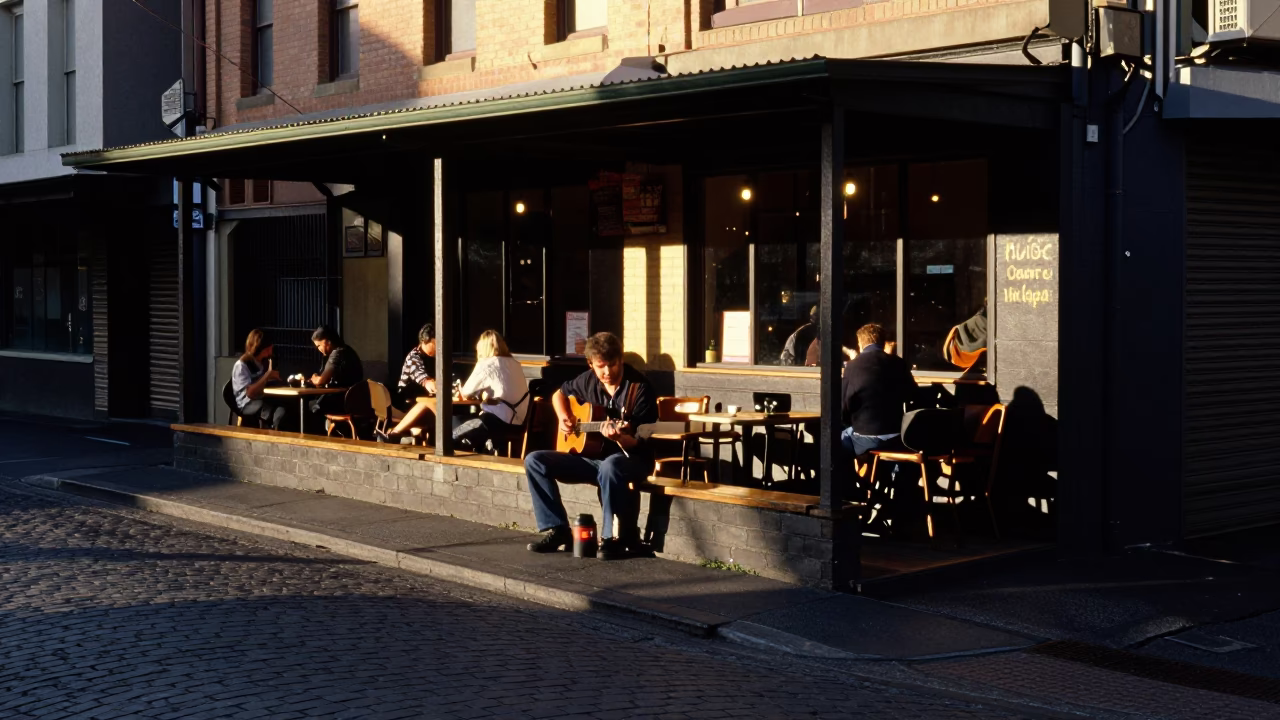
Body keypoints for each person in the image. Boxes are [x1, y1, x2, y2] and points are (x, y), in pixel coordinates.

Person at [523, 332, 658, 560]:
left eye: (613, 365)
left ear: (621, 359)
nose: (607, 372)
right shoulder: (588, 380)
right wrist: (564, 416)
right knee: (534, 461)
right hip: (592, 459)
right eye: (601, 366)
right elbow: (559, 394)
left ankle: (609, 538)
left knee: (610, 466)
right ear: (591, 364)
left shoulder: (639, 388)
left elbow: (641, 440)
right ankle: (557, 529)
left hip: (631, 458)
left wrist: (619, 438)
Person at [840, 323, 918, 459]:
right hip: (897, 436)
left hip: (866, 436)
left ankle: (850, 480)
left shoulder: (852, 366)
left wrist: (849, 421)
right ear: (883, 342)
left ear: (860, 343)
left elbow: (844, 404)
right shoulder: (898, 363)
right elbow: (912, 393)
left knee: (838, 439)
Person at [453, 330, 530, 453]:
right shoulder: (515, 364)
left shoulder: (486, 364)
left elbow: (466, 392)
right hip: (519, 423)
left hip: (495, 421)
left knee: (451, 432)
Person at [376, 324, 439, 443]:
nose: (438, 348)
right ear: (424, 342)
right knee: (429, 405)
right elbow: (423, 378)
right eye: (435, 344)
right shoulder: (414, 358)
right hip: (406, 404)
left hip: (421, 402)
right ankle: (394, 434)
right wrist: (432, 385)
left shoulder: (436, 357)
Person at [231, 328, 286, 430]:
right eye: (269, 348)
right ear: (263, 348)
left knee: (285, 409)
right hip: (248, 403)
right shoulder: (243, 365)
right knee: (276, 413)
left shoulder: (263, 362)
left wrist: (273, 378)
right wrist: (267, 375)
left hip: (264, 398)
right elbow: (250, 393)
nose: (271, 351)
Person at [308, 325, 364, 422]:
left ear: (327, 341)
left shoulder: (337, 353)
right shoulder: (348, 350)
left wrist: (314, 378)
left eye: (318, 345)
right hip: (354, 399)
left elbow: (321, 381)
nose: (318, 349)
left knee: (309, 405)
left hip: (342, 400)